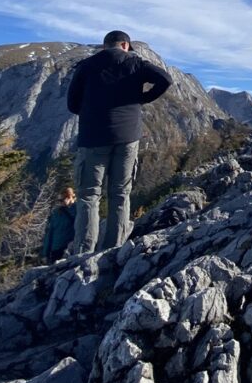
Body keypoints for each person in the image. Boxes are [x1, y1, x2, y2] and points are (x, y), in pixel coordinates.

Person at [67, 30, 173, 253]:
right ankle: (114, 249)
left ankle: (83, 252)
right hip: (127, 138)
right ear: (125, 45)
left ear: (105, 46)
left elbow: (72, 104)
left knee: (88, 196)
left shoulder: (86, 65)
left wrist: (89, 112)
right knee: (120, 193)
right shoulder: (134, 63)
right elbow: (165, 79)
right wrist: (141, 99)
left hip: (93, 138)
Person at [42, 187, 76, 262]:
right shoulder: (56, 213)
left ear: (69, 197)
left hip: (69, 248)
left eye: (62, 200)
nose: (60, 203)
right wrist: (45, 254)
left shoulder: (77, 210)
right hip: (55, 250)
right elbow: (49, 233)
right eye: (59, 200)